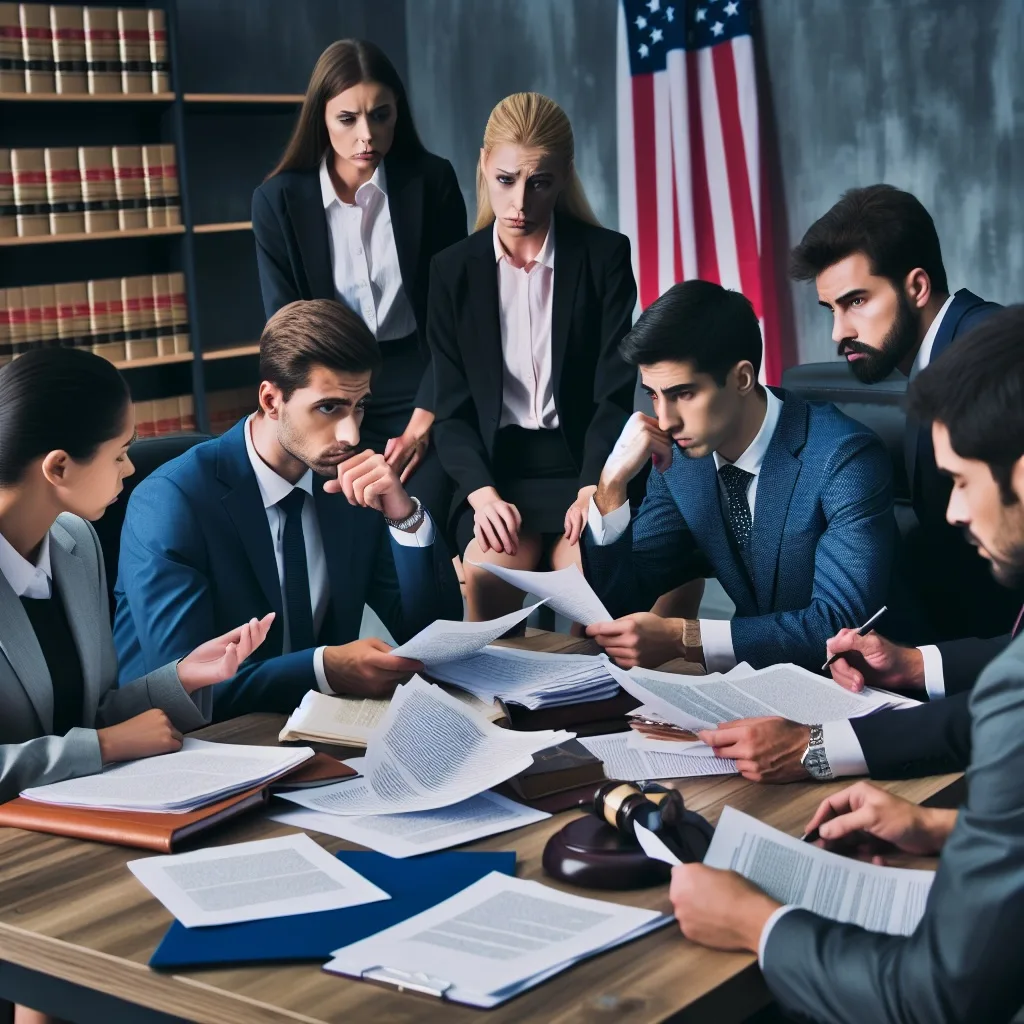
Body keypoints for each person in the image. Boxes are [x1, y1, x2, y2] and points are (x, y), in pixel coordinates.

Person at [670, 305, 1024, 1024]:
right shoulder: (685, 467)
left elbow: (938, 997)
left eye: (960, 481)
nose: (951, 513)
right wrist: (944, 831)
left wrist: (755, 925)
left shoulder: (840, 451)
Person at [113, 299, 462, 721]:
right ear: (271, 399)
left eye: (360, 406)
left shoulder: (345, 484)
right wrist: (325, 668)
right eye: (329, 407)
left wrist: (403, 517)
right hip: (195, 749)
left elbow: (432, 635)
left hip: (320, 733)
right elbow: (185, 689)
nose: (351, 433)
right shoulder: (172, 501)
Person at [581, 279, 916, 673]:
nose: (666, 420)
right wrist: (611, 485)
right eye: (654, 394)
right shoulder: (683, 464)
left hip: (871, 685)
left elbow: (838, 625)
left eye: (683, 394)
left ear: (741, 379)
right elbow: (618, 602)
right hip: (756, 683)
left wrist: (686, 638)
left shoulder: (844, 456)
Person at [0, 348, 273, 803]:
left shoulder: (76, 542)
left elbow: (90, 714)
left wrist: (182, 677)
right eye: (120, 454)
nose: (130, 468)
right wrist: (105, 746)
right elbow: (98, 738)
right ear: (58, 466)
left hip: (90, 810)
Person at [427, 91, 638, 620]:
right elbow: (450, 412)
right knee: (486, 577)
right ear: (483, 165)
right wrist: (480, 493)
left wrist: (596, 484)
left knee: (590, 584)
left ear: (564, 175)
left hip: (584, 465)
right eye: (505, 180)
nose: (520, 202)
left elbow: (612, 395)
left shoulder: (605, 257)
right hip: (496, 471)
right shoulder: (451, 271)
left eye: (539, 182)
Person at [252, 39, 467, 530]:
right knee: (344, 525)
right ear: (321, 119)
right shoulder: (276, 201)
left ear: (399, 114)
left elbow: (453, 313)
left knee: (419, 520)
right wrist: (327, 417)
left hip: (423, 380)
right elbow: (287, 330)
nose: (367, 135)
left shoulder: (431, 182)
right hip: (330, 388)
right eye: (347, 118)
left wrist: (424, 419)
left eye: (381, 115)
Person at [790, 183, 1018, 641]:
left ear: (916, 286)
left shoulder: (992, 355)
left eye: (857, 301)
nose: (838, 332)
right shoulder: (937, 357)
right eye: (829, 309)